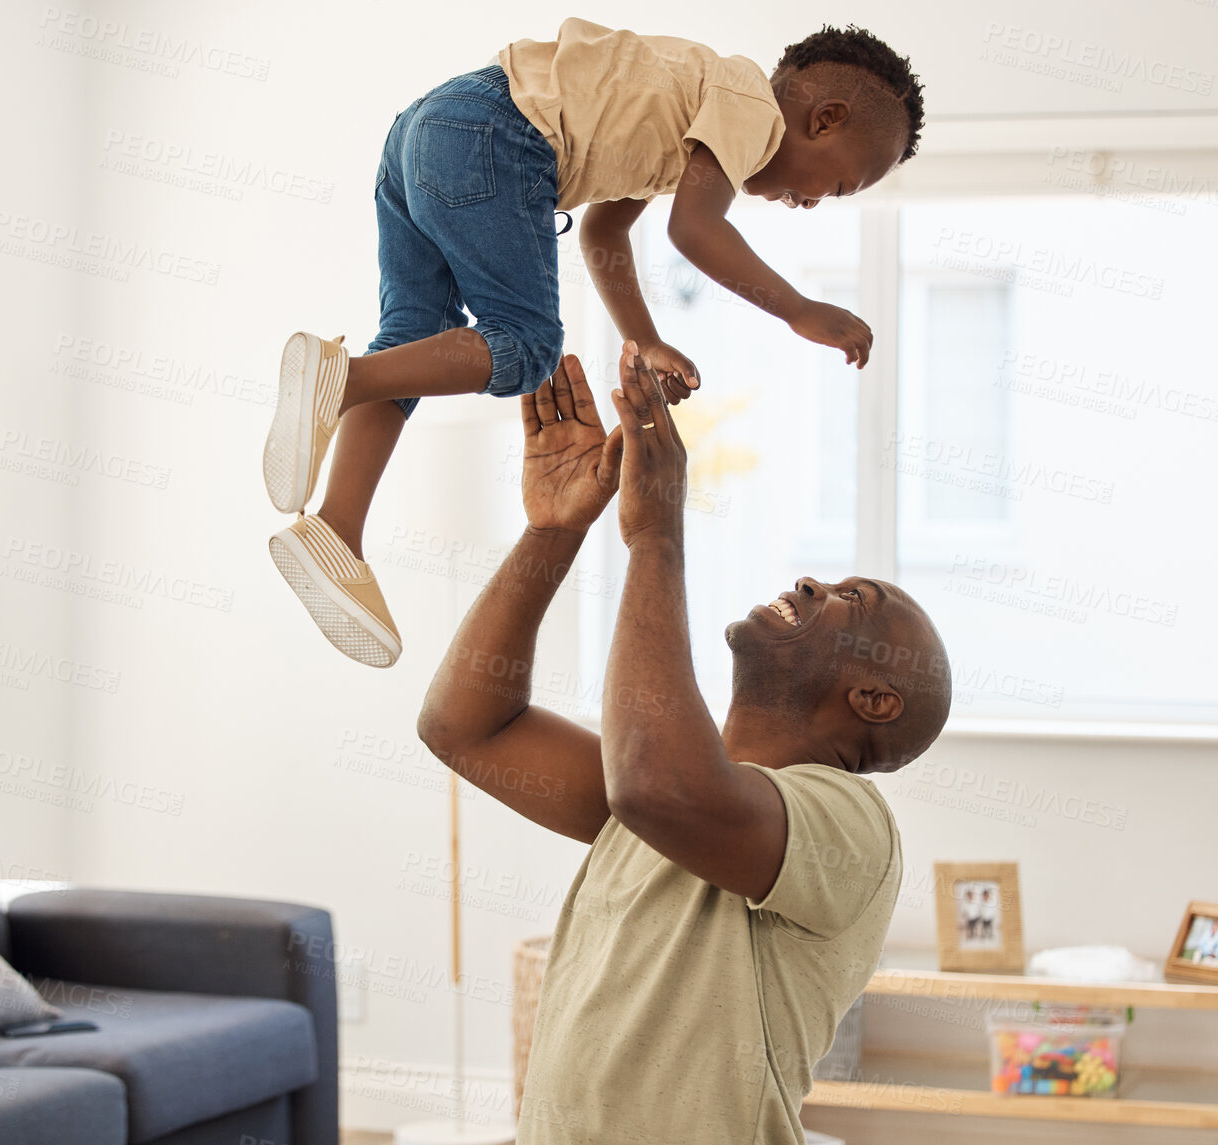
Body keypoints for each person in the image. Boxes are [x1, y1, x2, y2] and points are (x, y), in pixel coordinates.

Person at [264, 19, 926, 666]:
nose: (812, 204)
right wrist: (799, 309)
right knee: (525, 345)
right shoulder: (749, 103)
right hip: (494, 130)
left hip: (422, 130)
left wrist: (645, 338)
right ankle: (342, 378)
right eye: (838, 186)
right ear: (825, 119)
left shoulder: (691, 116)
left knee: (412, 337)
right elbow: (694, 230)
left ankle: (337, 528)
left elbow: (603, 236)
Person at [417, 346, 952, 1143]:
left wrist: (656, 538)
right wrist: (553, 529)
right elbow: (466, 726)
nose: (810, 583)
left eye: (850, 600)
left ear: (873, 698)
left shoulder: (852, 824)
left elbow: (654, 782)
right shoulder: (660, 799)